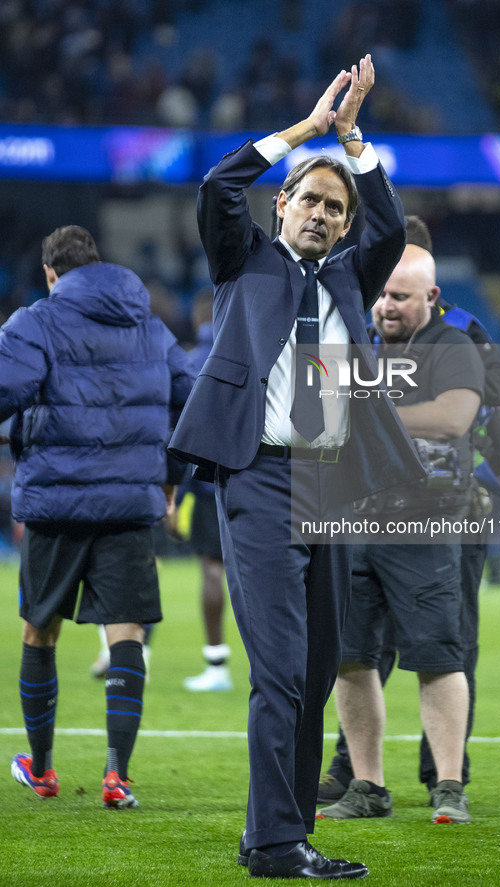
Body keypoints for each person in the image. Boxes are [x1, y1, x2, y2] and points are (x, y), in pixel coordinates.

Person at [169, 56, 424, 880]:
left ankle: (275, 834)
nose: (319, 213)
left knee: (313, 673)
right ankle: (279, 844)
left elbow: (388, 223)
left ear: (343, 226)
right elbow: (216, 183)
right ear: (282, 204)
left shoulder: (352, 274)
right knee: (279, 667)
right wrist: (310, 130)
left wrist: (354, 142)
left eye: (332, 207)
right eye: (308, 199)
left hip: (331, 482)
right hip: (260, 478)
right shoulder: (243, 260)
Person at [317, 217, 500, 810]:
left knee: (444, 646)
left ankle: (443, 779)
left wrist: (388, 406)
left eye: (399, 288)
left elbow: (493, 394)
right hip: (366, 512)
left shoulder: (458, 330)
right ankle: (356, 773)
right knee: (358, 649)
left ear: (427, 282)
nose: (385, 300)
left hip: (446, 510)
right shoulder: (356, 323)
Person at [1, 225, 194, 808]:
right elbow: (189, 401)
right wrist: (169, 481)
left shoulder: (36, 321)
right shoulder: (151, 325)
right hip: (131, 504)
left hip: (56, 505)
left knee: (41, 630)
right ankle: (117, 775)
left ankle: (43, 768)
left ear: (52, 274)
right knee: (127, 632)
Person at [180, 295, 231, 692]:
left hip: (207, 485)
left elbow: (180, 434)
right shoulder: (253, 351)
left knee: (212, 570)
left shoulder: (192, 361)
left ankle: (217, 663)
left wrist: (174, 496)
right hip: (261, 481)